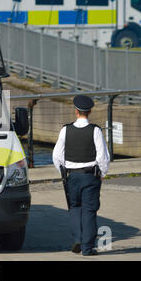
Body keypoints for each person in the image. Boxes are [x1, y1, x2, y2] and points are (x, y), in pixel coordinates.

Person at [52, 95, 110, 256]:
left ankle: (77, 237)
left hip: (72, 176)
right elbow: (102, 157)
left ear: (76, 111)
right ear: (90, 111)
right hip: (90, 175)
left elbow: (57, 156)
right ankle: (87, 247)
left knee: (75, 208)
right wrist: (102, 173)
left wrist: (63, 172)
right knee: (89, 210)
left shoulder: (65, 130)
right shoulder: (95, 130)